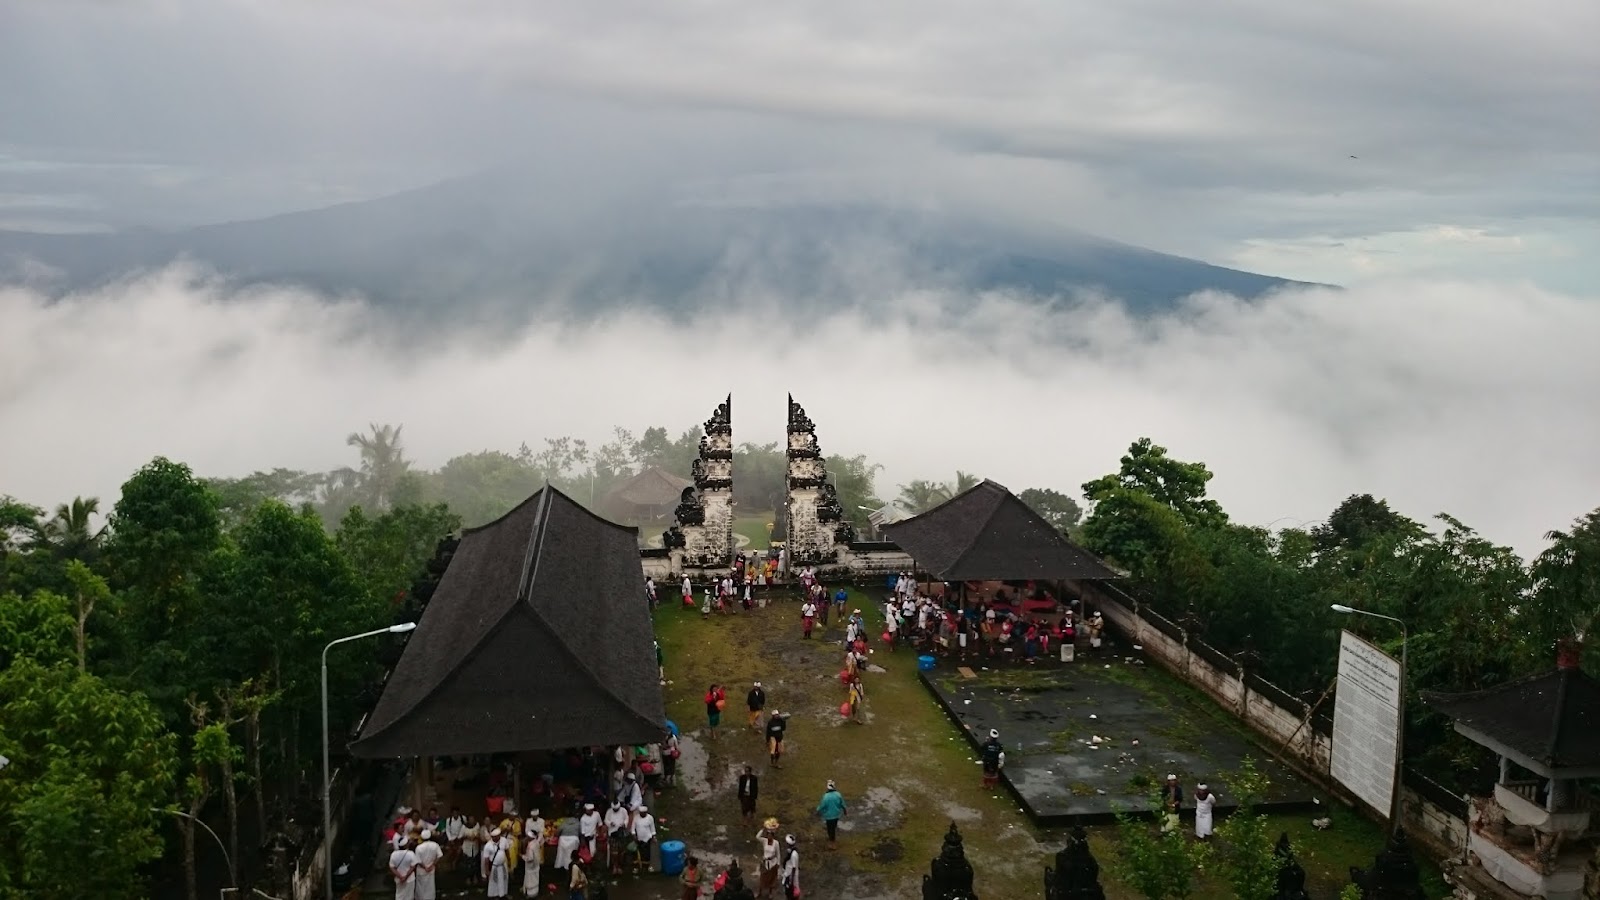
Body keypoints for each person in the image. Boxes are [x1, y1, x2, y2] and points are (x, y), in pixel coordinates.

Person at [756, 820, 782, 899]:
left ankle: (770, 893)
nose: (769, 837)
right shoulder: (765, 841)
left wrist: (778, 863)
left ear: (773, 836)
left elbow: (778, 854)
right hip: (765, 862)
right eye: (768, 835)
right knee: (762, 878)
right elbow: (757, 837)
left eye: (770, 835)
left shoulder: (776, 843)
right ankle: (760, 892)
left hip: (773, 863)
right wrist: (763, 829)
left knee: (771, 879)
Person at [413, 829, 442, 900]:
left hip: (421, 870)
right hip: (431, 870)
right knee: (430, 886)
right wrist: (432, 865)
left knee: (421, 887)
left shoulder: (419, 848)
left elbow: (418, 861)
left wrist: (425, 867)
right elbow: (439, 856)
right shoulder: (435, 845)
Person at [522, 808, 545, 898]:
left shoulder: (541, 821)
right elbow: (527, 831)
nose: (534, 817)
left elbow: (541, 833)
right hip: (533, 842)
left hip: (538, 842)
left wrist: (536, 842)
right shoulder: (528, 821)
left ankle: (532, 892)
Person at [815, 780, 846, 845]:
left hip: (828, 816)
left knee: (830, 829)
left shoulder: (825, 796)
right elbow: (842, 803)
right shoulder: (838, 794)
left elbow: (822, 805)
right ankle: (832, 838)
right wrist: (845, 810)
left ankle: (832, 841)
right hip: (836, 815)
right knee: (834, 827)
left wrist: (817, 810)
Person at [389, 835, 419, 900]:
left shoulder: (393, 854)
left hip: (398, 879)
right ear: (405, 845)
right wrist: (405, 877)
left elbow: (392, 867)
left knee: (399, 895)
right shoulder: (411, 854)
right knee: (409, 896)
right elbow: (413, 866)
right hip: (410, 879)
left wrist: (400, 876)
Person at [604, 801, 630, 874]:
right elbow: (606, 820)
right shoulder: (609, 811)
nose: (615, 810)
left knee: (621, 851)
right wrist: (610, 823)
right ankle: (615, 866)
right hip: (612, 833)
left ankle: (620, 866)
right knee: (614, 852)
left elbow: (627, 818)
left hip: (621, 833)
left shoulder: (623, 810)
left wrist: (624, 824)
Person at [631, 804, 658, 874]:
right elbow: (633, 829)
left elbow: (652, 829)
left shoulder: (650, 818)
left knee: (647, 853)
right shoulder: (636, 818)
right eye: (641, 813)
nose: (642, 814)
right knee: (638, 853)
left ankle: (647, 866)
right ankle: (637, 867)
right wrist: (634, 835)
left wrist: (654, 837)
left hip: (647, 838)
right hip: (638, 839)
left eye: (643, 813)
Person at [486, 828, 510, 899]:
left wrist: (509, 861)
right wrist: (487, 870)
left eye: (497, 836)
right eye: (494, 837)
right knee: (495, 881)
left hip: (503, 865)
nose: (496, 838)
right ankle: (495, 895)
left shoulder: (504, 840)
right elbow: (486, 859)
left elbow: (507, 851)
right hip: (494, 867)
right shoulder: (488, 845)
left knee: (504, 880)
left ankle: (504, 893)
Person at [460, 815, 482, 884]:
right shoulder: (464, 827)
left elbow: (479, 834)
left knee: (475, 863)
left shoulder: (477, 825)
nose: (472, 821)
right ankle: (468, 878)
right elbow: (460, 836)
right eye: (470, 819)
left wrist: (475, 837)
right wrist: (467, 837)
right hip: (467, 847)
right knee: (467, 864)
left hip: (475, 846)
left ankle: (475, 876)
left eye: (473, 819)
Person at [780, 835, 801, 899]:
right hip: (788, 874)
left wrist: (791, 882)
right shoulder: (790, 852)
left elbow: (794, 868)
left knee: (791, 893)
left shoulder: (793, 854)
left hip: (790, 877)